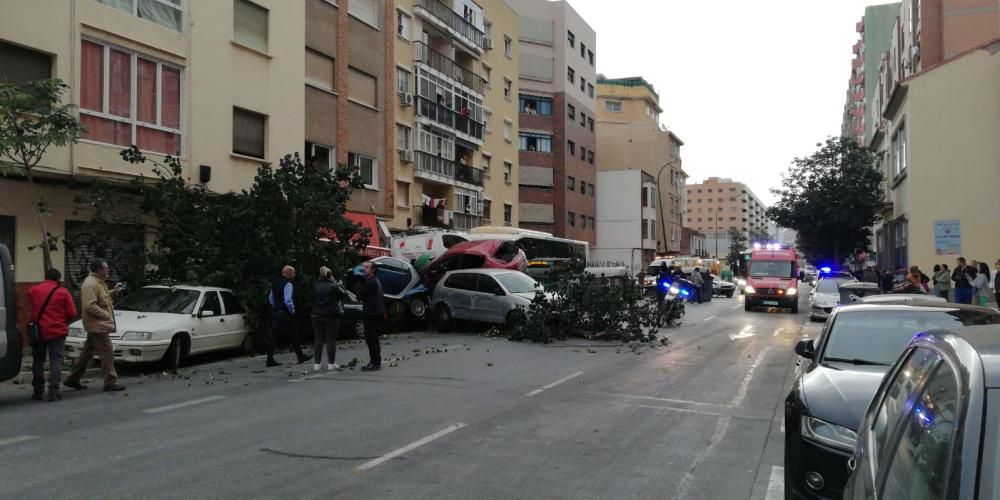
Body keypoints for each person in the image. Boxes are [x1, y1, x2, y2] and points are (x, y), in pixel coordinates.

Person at [64, 258, 126, 392]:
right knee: (107, 351)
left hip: (96, 325)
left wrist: (114, 291)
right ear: (99, 269)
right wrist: (106, 315)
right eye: (106, 268)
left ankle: (72, 378)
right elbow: (89, 305)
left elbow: (102, 299)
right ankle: (110, 381)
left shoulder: (98, 282)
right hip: (98, 325)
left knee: (87, 352)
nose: (108, 270)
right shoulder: (91, 284)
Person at [27, 268, 77, 401]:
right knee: (56, 361)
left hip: (38, 332)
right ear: (58, 279)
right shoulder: (63, 292)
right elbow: (72, 313)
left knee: (38, 361)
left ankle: (38, 391)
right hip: (57, 331)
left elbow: (30, 302)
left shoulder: (33, 290)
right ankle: (53, 392)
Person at [266, 265, 309, 367]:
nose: (294, 274)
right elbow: (288, 300)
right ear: (289, 273)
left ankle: (269, 359)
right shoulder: (288, 284)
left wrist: (275, 307)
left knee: (273, 336)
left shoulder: (275, 283)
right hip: (286, 314)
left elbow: (271, 298)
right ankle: (300, 355)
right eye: (293, 272)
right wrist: (292, 310)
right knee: (294, 334)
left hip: (276, 312)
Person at [311, 266, 346, 372]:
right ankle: (331, 363)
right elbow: (343, 294)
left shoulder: (315, 285)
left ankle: (317, 364)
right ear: (330, 275)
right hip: (331, 315)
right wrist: (339, 284)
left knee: (318, 339)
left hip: (316, 315)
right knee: (331, 340)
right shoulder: (334, 286)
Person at [357, 260, 386, 371]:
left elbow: (359, 296)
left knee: (371, 338)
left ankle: (375, 362)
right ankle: (375, 361)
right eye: (363, 266)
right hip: (376, 312)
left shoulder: (370, 282)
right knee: (373, 339)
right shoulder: (374, 281)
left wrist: (358, 282)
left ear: (373, 270)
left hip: (372, 313)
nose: (364, 269)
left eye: (367, 267)